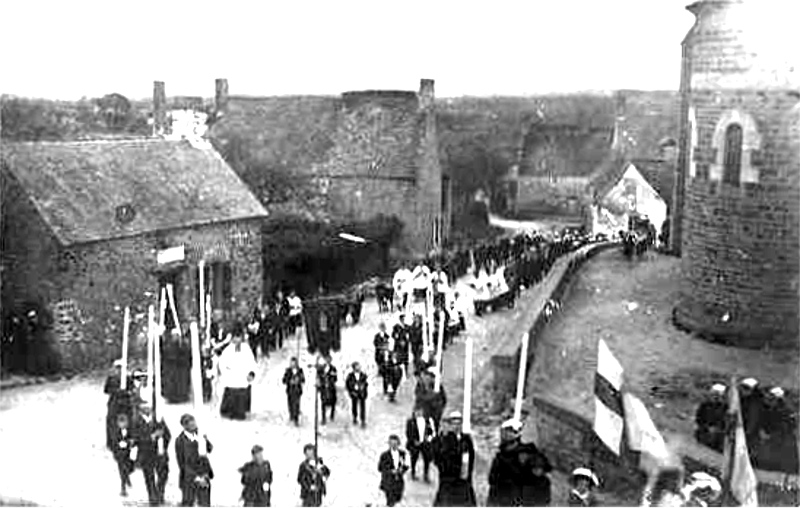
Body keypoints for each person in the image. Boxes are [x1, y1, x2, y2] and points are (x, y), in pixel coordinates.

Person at [487, 418, 553, 507]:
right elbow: (492, 479)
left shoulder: (527, 456)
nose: (502, 436)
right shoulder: (502, 456)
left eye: (506, 432)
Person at [432, 411, 477, 507]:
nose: (456, 426)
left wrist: (467, 472)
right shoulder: (443, 439)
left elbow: (471, 456)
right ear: (450, 425)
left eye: (459, 423)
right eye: (454, 424)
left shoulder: (466, 439)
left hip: (463, 479)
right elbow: (437, 457)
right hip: (448, 479)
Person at [134, 401, 171, 506]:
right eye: (144, 406)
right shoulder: (136, 422)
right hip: (146, 454)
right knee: (149, 476)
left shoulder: (158, 419)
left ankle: (160, 493)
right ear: (140, 409)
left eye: (149, 406)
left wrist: (163, 445)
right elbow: (136, 438)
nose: (147, 408)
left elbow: (168, 434)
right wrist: (151, 437)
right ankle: (152, 496)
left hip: (159, 453)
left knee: (163, 474)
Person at [218, 328, 257, 420]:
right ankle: (229, 412)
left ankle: (240, 412)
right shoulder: (228, 350)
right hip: (231, 377)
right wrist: (225, 371)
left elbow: (251, 361)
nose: (237, 340)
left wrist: (251, 373)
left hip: (242, 376)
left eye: (239, 338)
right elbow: (222, 362)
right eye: (235, 338)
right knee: (231, 394)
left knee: (242, 394)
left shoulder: (246, 349)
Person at [175, 414, 214, 507]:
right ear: (184, 426)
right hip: (188, 479)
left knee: (205, 503)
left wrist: (205, 440)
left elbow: (209, 449)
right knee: (188, 503)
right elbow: (182, 464)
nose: (194, 425)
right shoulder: (180, 441)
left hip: (204, 474)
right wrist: (196, 478)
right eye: (191, 424)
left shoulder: (199, 436)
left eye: (194, 423)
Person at [406, 407, 437, 483]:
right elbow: (408, 432)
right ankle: (413, 472)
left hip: (425, 444)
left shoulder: (428, 420)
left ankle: (426, 475)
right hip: (414, 444)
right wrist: (413, 441)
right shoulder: (410, 421)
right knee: (414, 458)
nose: (418, 413)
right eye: (417, 412)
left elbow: (432, 432)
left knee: (427, 459)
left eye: (420, 411)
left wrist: (428, 439)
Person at [694, 383, 728, 452]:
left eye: (718, 395)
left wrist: (717, 429)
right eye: (714, 394)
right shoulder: (704, 405)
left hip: (719, 437)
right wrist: (706, 427)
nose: (715, 397)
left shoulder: (725, 407)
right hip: (704, 434)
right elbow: (698, 419)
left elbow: (725, 422)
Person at [379, 434, 410, 507]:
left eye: (395, 444)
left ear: (398, 444)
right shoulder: (384, 455)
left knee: (397, 499)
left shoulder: (403, 454)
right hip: (388, 481)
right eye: (391, 444)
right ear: (389, 444)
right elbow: (380, 468)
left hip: (399, 482)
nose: (393, 446)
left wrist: (401, 470)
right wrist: (390, 471)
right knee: (390, 501)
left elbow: (407, 465)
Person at [111, 412, 136, 497]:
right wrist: (117, 447)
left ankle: (127, 477)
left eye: (124, 422)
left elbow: (133, 439)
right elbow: (114, 443)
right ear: (118, 424)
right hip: (120, 455)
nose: (123, 424)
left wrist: (130, 442)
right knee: (122, 470)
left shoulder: (130, 431)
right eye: (121, 423)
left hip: (129, 454)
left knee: (130, 468)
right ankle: (123, 488)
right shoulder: (116, 432)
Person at [283, 357, 305, 425]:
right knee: (290, 404)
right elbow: (284, 380)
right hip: (290, 390)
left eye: (294, 363)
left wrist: (299, 380)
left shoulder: (300, 370)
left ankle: (296, 419)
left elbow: (303, 379)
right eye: (292, 363)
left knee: (297, 404)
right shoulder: (288, 370)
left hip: (297, 390)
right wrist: (289, 381)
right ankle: (291, 415)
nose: (293, 364)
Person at [346, 361, 368, 427]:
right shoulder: (350, 375)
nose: (358, 367)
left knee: (362, 407)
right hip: (354, 393)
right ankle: (355, 417)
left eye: (359, 366)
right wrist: (351, 391)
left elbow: (366, 383)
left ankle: (363, 420)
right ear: (353, 368)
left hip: (362, 393)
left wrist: (363, 387)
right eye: (357, 366)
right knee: (354, 406)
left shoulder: (363, 375)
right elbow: (347, 384)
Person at [316, 355, 338, 424]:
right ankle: (323, 418)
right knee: (323, 403)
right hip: (323, 388)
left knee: (333, 401)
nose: (328, 361)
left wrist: (331, 378)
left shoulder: (333, 368)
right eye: (326, 359)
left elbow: (335, 378)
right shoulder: (321, 368)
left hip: (331, 387)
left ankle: (332, 415)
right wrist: (319, 383)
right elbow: (318, 376)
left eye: (329, 360)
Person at [374, 322, 391, 393]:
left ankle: (386, 389)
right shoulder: (377, 336)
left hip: (385, 355)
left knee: (386, 373)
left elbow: (389, 343)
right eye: (382, 328)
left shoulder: (387, 336)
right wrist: (380, 347)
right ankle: (380, 370)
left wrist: (386, 347)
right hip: (379, 353)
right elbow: (375, 343)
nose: (383, 329)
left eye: (384, 328)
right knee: (379, 362)